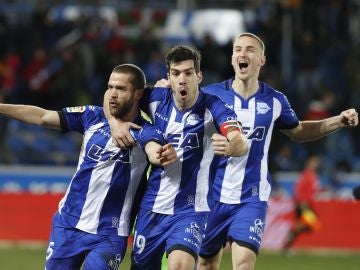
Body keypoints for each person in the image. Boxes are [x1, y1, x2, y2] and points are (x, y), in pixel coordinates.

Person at [154, 33, 358, 270]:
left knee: (244, 264)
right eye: (237, 49)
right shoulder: (210, 96)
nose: (242, 54)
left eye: (250, 50)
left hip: (251, 198)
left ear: (261, 60)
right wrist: (164, 89)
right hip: (209, 197)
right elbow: (178, 103)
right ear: (232, 59)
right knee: (207, 263)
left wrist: (338, 121)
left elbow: (299, 131)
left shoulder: (274, 100)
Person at [0, 64, 177, 270]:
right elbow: (42, 116)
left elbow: (154, 151)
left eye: (120, 89)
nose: (113, 94)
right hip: (68, 224)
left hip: (110, 234)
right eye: (110, 87)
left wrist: (161, 155)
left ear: (138, 93)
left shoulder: (144, 131)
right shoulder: (91, 117)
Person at [106, 45, 249, 270]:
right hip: (152, 207)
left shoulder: (214, 107)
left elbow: (240, 140)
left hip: (191, 210)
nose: (182, 80)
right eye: (176, 74)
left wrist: (233, 146)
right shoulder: (155, 98)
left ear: (199, 76)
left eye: (188, 73)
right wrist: (115, 124)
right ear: (169, 78)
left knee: (179, 267)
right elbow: (113, 95)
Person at [283, 154, 322, 251]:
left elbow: (312, 190)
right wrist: (301, 203)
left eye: (316, 163)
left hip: (308, 204)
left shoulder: (313, 176)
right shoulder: (306, 175)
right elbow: (298, 189)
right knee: (313, 224)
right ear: (308, 163)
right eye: (313, 162)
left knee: (307, 225)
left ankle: (289, 241)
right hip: (303, 205)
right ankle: (289, 241)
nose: (315, 165)